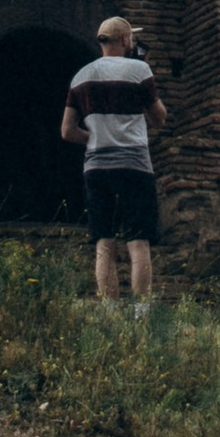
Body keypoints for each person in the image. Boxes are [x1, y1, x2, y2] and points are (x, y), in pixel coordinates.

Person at [62, 16, 167, 314]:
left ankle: (109, 313)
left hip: (96, 166)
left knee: (103, 240)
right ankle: (140, 312)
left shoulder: (80, 76)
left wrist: (96, 137)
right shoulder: (139, 70)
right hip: (134, 165)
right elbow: (159, 118)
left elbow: (67, 131)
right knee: (138, 239)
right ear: (124, 40)